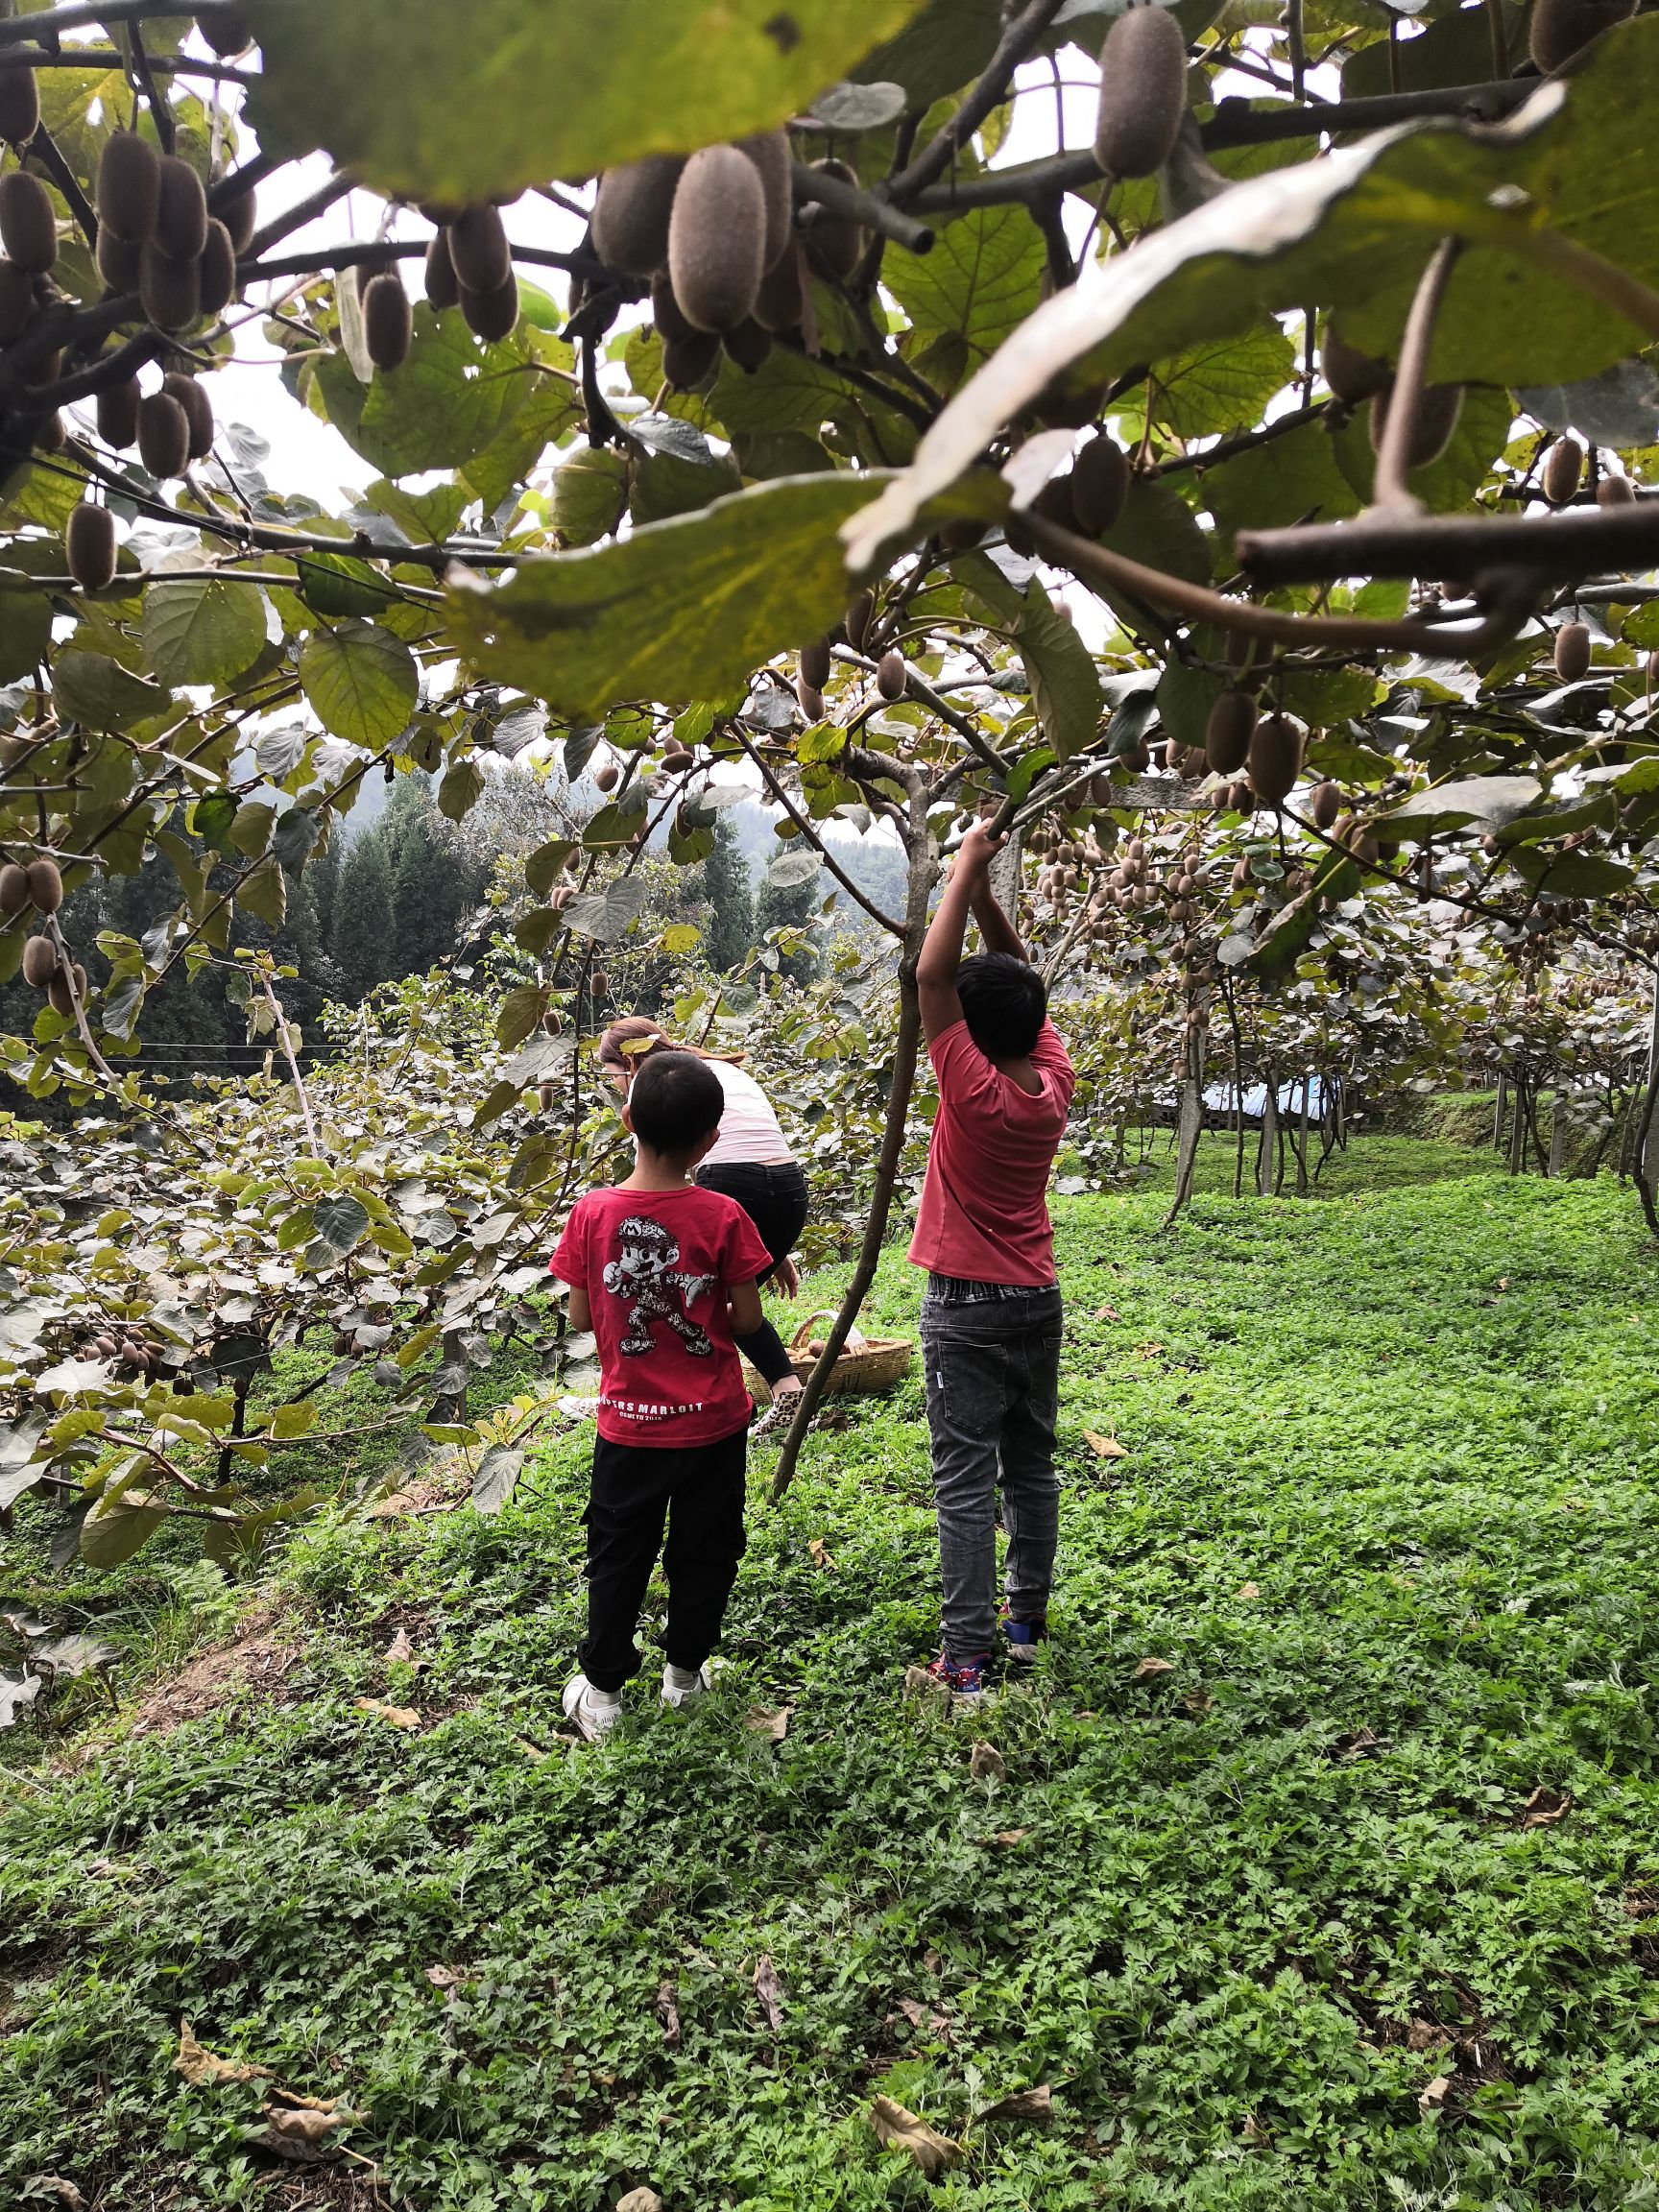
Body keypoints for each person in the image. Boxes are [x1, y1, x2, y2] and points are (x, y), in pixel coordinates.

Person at [550, 1049, 775, 1741]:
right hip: (715, 1427)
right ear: (712, 1140)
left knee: (619, 1554)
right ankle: (683, 1680)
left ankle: (605, 1697)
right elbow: (747, 1322)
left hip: (631, 1432)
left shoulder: (592, 1214)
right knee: (706, 1552)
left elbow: (582, 1319)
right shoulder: (725, 1215)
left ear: (627, 1121)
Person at [909, 820, 1076, 1704]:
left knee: (965, 1481)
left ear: (966, 1034)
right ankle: (1024, 1627)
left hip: (967, 1308)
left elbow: (932, 977)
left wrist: (965, 862)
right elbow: (1022, 992)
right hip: (1035, 1302)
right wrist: (984, 903)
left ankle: (966, 1658)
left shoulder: (968, 1090)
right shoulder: (1049, 1084)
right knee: (1032, 1463)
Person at [596, 1017, 807, 1409]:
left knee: (705, 1301)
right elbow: (758, 1157)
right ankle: (787, 1391)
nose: (616, 1085)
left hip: (736, 1180)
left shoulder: (658, 1085)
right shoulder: (711, 1068)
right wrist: (770, 1249)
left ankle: (710, 1397)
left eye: (613, 1076)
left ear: (628, 1062)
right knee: (730, 1298)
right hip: (791, 1187)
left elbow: (665, 1178)